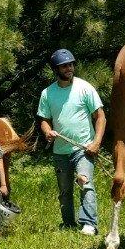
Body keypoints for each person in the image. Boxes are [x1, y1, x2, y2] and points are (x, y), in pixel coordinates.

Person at [37, 48, 106, 235]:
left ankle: (89, 224)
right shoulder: (47, 93)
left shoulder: (85, 88)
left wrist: (96, 142)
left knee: (85, 183)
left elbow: (100, 117)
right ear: (56, 69)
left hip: (83, 148)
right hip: (60, 151)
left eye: (71, 64)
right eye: (64, 66)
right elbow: (44, 118)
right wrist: (47, 131)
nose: (69, 68)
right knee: (65, 191)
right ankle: (68, 224)